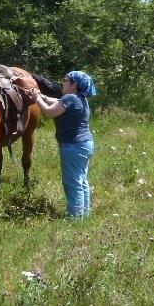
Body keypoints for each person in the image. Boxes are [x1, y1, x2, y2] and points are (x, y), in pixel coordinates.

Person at [28, 71, 96, 218]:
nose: (62, 83)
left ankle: (75, 218)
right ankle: (84, 214)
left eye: (65, 80)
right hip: (84, 144)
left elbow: (49, 112)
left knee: (72, 182)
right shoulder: (80, 99)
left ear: (74, 84)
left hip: (73, 146)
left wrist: (36, 99)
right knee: (81, 180)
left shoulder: (71, 98)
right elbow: (57, 102)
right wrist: (42, 96)